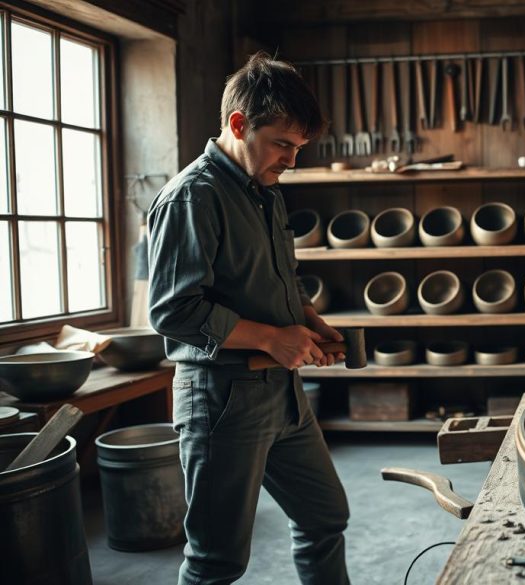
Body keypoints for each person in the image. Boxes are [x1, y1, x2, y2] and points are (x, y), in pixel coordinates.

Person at [148, 52, 350, 585]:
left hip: (283, 394)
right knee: (216, 561)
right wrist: (272, 338)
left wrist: (309, 323)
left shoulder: (264, 191)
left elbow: (282, 276)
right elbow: (172, 310)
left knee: (325, 516)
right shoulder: (193, 196)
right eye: (283, 144)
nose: (291, 159)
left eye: (298, 148)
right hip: (221, 400)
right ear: (239, 125)